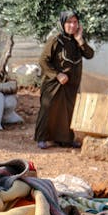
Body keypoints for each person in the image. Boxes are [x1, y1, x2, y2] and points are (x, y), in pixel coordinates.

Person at [35, 10, 95, 149]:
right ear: (63, 23)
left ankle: (65, 140)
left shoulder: (77, 41)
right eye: (69, 22)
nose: (72, 25)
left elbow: (90, 54)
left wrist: (80, 40)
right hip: (54, 83)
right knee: (49, 109)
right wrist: (57, 75)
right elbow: (43, 60)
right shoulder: (56, 40)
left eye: (75, 22)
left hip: (71, 85)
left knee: (68, 112)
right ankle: (42, 138)